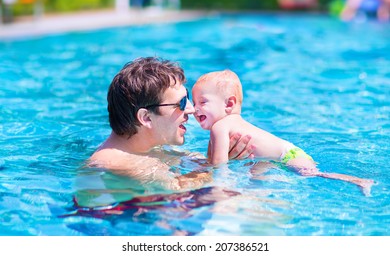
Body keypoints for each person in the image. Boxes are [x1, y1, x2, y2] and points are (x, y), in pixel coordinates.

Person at [191, 70, 374, 195]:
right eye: (194, 102)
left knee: (314, 174)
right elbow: (213, 159)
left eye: (202, 102)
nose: (195, 109)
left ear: (229, 104)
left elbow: (220, 166)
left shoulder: (219, 127)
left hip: (288, 156)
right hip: (289, 151)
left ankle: (358, 180)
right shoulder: (226, 125)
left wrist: (216, 189)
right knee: (259, 175)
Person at [86, 57, 253, 193]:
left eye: (187, 97)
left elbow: (200, 166)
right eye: (180, 103)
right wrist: (219, 166)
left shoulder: (149, 147)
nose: (191, 109)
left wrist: (221, 154)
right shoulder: (117, 163)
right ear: (146, 118)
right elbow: (177, 189)